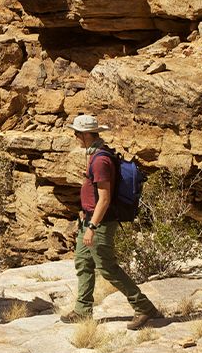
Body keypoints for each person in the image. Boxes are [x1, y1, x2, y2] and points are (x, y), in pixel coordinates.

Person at [65, 114, 162, 330]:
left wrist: (92, 226)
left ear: (87, 134)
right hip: (88, 218)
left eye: (77, 133)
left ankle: (144, 306)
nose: (75, 136)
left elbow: (105, 198)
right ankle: (82, 310)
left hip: (99, 223)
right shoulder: (96, 154)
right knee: (83, 263)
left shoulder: (100, 160)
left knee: (107, 267)